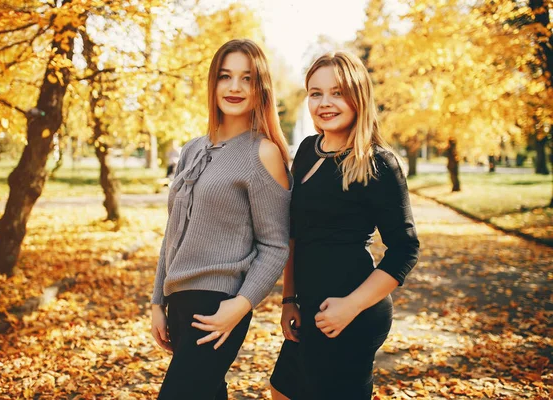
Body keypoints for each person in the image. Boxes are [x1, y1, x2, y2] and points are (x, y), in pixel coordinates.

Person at [269, 51, 420, 400]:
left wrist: (350, 306)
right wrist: (289, 299)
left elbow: (405, 249)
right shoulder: (308, 149)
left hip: (351, 313)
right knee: (282, 391)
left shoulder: (378, 163)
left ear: (358, 96)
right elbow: (296, 234)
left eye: (337, 92)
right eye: (316, 93)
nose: (325, 103)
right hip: (308, 309)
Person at [150, 39, 292, 400]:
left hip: (219, 304)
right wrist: (156, 302)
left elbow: (275, 245)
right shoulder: (193, 149)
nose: (234, 87)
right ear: (213, 83)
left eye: (247, 78)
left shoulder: (263, 152)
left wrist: (240, 304)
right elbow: (173, 233)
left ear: (260, 88)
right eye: (226, 76)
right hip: (178, 302)